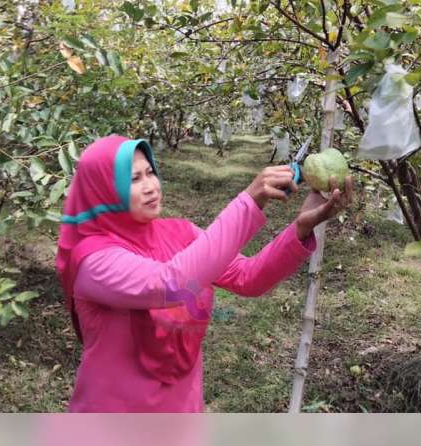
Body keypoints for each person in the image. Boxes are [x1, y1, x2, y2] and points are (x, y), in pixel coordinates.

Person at [55, 134, 354, 412]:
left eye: (150, 173)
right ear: (102, 189)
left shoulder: (179, 233)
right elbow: (171, 283)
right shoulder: (93, 259)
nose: (151, 186)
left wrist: (301, 227)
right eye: (134, 179)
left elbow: (247, 276)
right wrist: (250, 201)